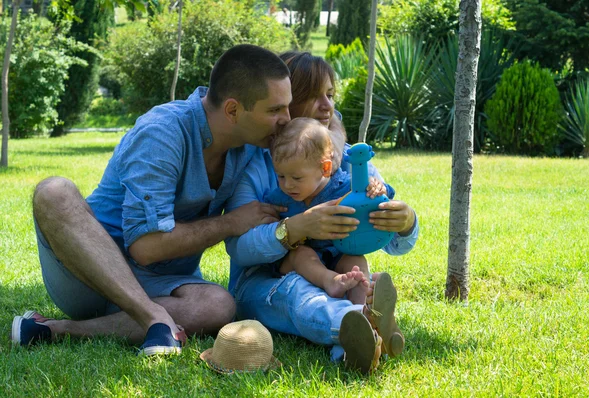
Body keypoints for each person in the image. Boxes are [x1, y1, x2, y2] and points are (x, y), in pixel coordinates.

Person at [11, 44, 292, 355]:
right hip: (90, 275)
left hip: (160, 283)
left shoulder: (254, 142)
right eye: (275, 110)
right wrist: (231, 223)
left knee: (219, 305)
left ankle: (58, 330)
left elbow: (319, 130)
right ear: (233, 110)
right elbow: (146, 247)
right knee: (53, 191)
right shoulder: (162, 133)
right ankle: (153, 317)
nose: (287, 119)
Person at [224, 52, 419, 373]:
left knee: (355, 268)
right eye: (313, 96)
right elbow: (240, 249)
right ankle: (360, 320)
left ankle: (359, 323)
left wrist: (404, 222)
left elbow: (392, 243)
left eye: (329, 95)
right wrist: (297, 227)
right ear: (285, 104)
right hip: (267, 278)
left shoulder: (350, 161)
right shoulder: (257, 164)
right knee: (296, 291)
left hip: (337, 271)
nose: (327, 106)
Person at [265, 117, 396, 305]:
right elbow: (267, 212)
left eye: (296, 177)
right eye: (281, 176)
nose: (287, 185)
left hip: (338, 255)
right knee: (301, 253)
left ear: (325, 168)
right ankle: (330, 282)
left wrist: (378, 188)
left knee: (356, 262)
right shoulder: (280, 198)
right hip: (300, 264)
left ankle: (363, 308)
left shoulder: (344, 187)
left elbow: (384, 193)